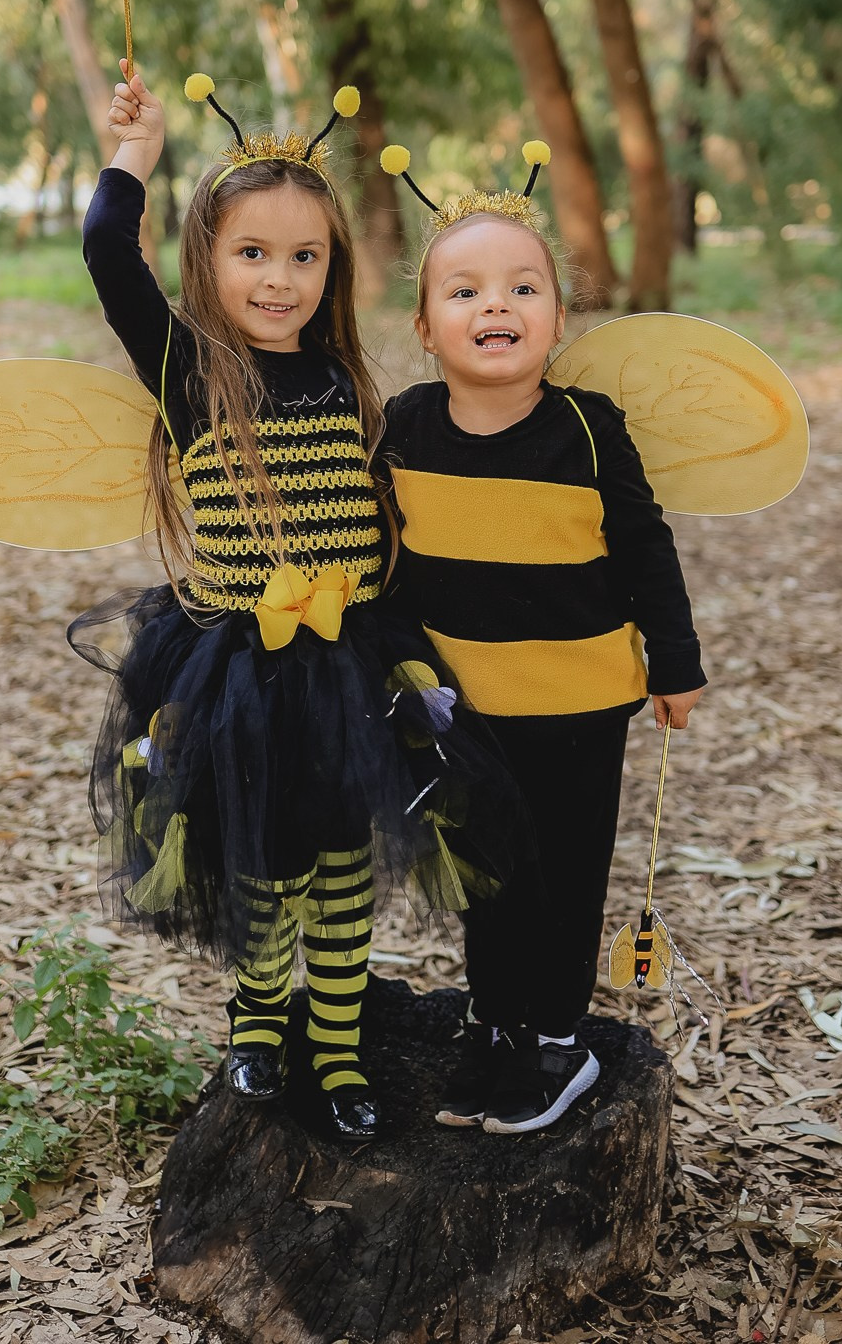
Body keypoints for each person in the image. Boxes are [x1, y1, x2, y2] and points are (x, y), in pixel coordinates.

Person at [72, 64, 513, 1141]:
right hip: (239, 672)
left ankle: (337, 1038)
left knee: (342, 857)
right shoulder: (191, 369)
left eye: (304, 256)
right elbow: (102, 251)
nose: (279, 279)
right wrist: (133, 153)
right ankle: (259, 1023)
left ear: (333, 266)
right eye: (252, 254)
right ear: (206, 261)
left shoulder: (348, 378)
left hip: (351, 662)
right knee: (260, 855)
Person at [380, 207, 706, 1135]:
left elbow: (646, 551)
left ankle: (558, 1039)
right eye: (467, 289)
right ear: (425, 326)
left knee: (562, 871)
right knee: (486, 871)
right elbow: (389, 562)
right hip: (461, 710)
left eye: (525, 287)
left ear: (559, 321)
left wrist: (675, 663)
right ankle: (493, 1018)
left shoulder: (589, 430)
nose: (499, 305)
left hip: (578, 703)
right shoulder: (406, 426)